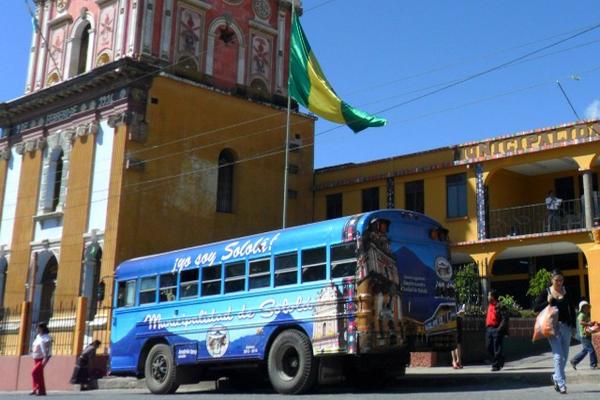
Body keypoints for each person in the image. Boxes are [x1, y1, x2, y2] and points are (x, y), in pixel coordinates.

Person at [534, 269, 575, 395]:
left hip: (566, 327)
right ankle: (561, 384)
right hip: (552, 328)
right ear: (551, 280)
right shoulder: (546, 292)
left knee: (565, 356)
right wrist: (548, 301)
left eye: (561, 280)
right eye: (556, 280)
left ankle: (556, 377)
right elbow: (535, 308)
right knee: (558, 356)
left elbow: (572, 309)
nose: (559, 282)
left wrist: (573, 326)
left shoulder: (567, 291)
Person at [570, 301, 598, 370]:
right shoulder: (581, 315)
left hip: (587, 334)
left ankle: (574, 361)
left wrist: (592, 323)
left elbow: (588, 323)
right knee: (591, 350)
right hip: (584, 335)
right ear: (582, 308)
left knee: (585, 350)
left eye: (587, 307)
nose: (587, 308)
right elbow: (581, 322)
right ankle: (593, 365)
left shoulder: (586, 315)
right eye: (585, 307)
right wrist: (589, 324)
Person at [485, 290, 509, 371]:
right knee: (489, 347)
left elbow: (505, 319)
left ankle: (495, 365)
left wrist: (499, 329)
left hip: (496, 328)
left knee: (497, 348)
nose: (487, 297)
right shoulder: (489, 305)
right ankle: (500, 359)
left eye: (489, 295)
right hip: (489, 329)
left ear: (492, 296)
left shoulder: (500, 306)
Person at [30, 322, 52, 396]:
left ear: (42, 328)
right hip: (36, 357)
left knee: (34, 372)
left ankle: (37, 387)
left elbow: (48, 348)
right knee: (39, 374)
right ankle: (40, 391)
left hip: (43, 358)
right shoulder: (38, 336)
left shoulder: (47, 337)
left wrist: (45, 358)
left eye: (38, 327)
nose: (36, 329)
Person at [451, 304, 465, 369]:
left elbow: (463, 314)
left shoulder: (460, 303)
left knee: (458, 342)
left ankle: (459, 360)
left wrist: (461, 313)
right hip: (451, 322)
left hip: (458, 322)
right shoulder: (449, 301)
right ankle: (454, 361)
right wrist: (457, 314)